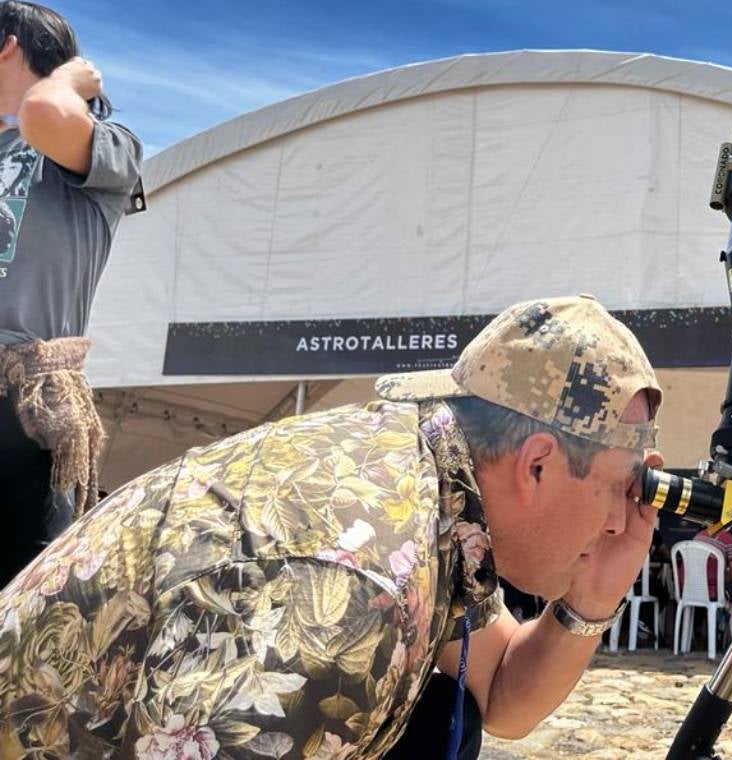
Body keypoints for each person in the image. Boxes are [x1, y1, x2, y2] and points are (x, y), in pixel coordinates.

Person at [0, 295, 664, 759]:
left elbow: (504, 695)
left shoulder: (430, 486)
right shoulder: (349, 588)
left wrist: (592, 596)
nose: (619, 516)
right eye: (618, 485)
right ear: (538, 466)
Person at [0, 1, 143, 584]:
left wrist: (69, 80)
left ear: (7, 45)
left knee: (18, 607)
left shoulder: (108, 145)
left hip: (21, 408)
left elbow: (41, 110)